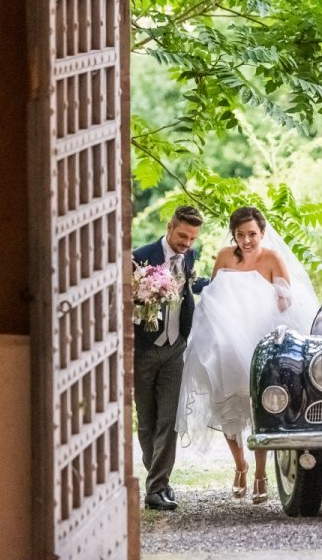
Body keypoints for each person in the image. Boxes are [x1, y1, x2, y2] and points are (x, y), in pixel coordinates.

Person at [175, 207, 318, 504]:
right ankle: (240, 463)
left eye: (252, 234)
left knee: (259, 407)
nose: (246, 241)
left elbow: (286, 300)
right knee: (225, 404)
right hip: (227, 343)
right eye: (240, 235)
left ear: (262, 233)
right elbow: (215, 297)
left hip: (256, 341)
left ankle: (261, 472)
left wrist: (279, 297)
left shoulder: (272, 258)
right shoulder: (225, 256)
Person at [133, 205, 207, 511]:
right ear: (169, 227)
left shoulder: (189, 256)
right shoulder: (140, 257)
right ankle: (157, 480)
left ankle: (157, 487)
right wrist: (143, 296)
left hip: (176, 348)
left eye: (192, 238)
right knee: (147, 421)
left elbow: (190, 289)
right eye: (182, 236)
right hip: (143, 349)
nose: (187, 243)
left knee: (169, 420)